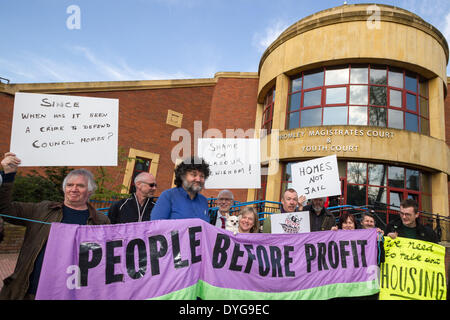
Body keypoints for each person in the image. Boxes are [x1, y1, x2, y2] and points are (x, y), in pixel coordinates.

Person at [0, 152, 110, 300]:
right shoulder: (43, 210)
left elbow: (106, 259)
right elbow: (4, 210)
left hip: (70, 293)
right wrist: (8, 175)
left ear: (90, 191)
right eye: (70, 185)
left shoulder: (101, 221)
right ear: (64, 188)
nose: (74, 189)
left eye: (80, 185)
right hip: (28, 291)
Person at [151, 156, 211, 222]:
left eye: (202, 176)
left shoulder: (203, 201)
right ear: (182, 176)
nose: (198, 179)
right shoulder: (168, 196)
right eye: (194, 175)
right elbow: (156, 226)